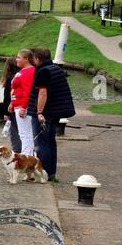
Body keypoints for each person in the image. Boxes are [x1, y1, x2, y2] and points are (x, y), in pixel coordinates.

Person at [27, 48, 76, 182]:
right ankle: (51, 173)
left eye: (34, 58)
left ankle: (43, 173)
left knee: (41, 144)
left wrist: (39, 112)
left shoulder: (43, 71)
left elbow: (43, 93)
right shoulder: (56, 69)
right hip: (55, 112)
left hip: (45, 113)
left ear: (37, 59)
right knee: (50, 142)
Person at [9, 49, 35, 157]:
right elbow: (17, 89)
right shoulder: (23, 70)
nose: (16, 59)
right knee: (23, 133)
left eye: (19, 57)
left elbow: (27, 91)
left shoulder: (29, 71)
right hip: (17, 104)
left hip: (22, 106)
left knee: (25, 133)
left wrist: (23, 107)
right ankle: (28, 155)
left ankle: (27, 156)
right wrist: (12, 103)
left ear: (26, 59)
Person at [0, 56, 22, 153]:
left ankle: (17, 151)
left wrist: (5, 113)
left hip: (14, 108)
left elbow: (7, 97)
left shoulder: (10, 79)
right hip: (21, 106)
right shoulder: (20, 75)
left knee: (14, 132)